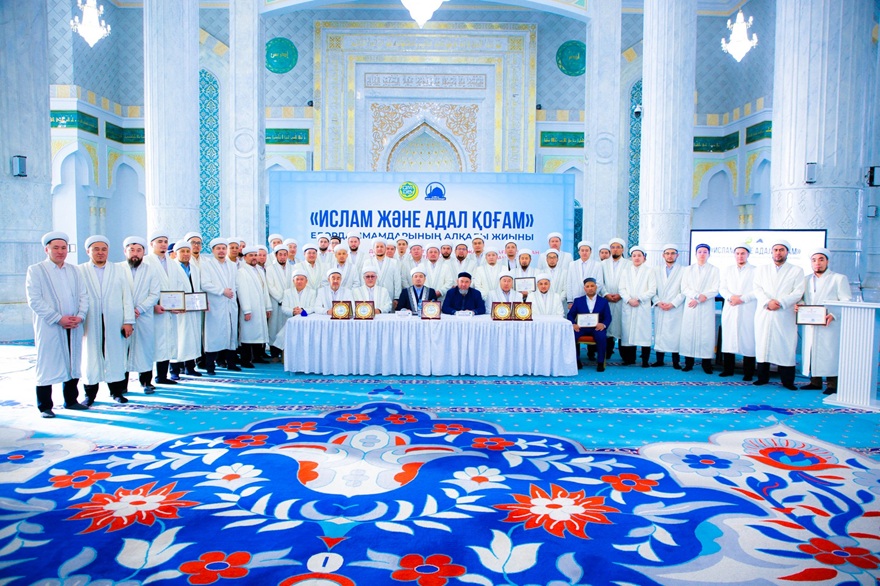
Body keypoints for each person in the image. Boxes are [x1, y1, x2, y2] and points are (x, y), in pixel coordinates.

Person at [26, 231, 89, 417]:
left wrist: (80, 316)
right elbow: (34, 300)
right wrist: (58, 318)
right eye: (56, 248)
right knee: (47, 363)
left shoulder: (74, 270)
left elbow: (83, 296)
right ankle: (45, 406)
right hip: (50, 326)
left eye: (63, 248)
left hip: (74, 325)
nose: (60, 251)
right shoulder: (36, 270)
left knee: (73, 361)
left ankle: (71, 400)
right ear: (47, 249)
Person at [77, 235, 135, 405]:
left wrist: (128, 321)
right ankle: (90, 395)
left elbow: (127, 297)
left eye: (104, 249)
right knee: (90, 357)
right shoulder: (80, 271)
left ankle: (116, 392)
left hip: (115, 321)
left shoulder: (118, 270)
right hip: (89, 321)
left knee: (115, 355)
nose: (100, 252)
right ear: (88, 251)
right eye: (96, 249)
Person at [797, 248, 852, 394]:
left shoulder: (838, 278)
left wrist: (833, 314)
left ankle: (832, 384)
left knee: (830, 352)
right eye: (814, 260)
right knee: (812, 351)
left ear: (827, 261)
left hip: (830, 323)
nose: (817, 263)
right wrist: (800, 306)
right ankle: (815, 382)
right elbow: (802, 298)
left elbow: (846, 300)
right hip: (811, 322)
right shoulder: (806, 279)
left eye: (821, 259)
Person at [753, 240, 806, 390]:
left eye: (781, 250)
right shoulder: (762, 269)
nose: (778, 252)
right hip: (765, 311)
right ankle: (762, 378)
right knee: (763, 344)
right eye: (775, 249)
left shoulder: (796, 270)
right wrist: (767, 302)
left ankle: (787, 381)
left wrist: (781, 302)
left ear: (787, 252)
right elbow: (757, 289)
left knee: (785, 346)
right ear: (772, 252)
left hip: (785, 313)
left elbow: (798, 292)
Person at [120, 236, 160, 394]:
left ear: (144, 252)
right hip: (122, 317)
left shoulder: (151, 270)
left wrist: (140, 309)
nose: (135, 254)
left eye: (139, 250)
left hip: (144, 316)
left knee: (145, 349)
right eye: (132, 250)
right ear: (125, 251)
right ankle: (121, 385)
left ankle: (146, 382)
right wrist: (128, 311)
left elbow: (154, 294)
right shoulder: (117, 269)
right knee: (122, 350)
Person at [142, 232, 179, 386]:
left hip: (168, 311)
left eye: (165, 241)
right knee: (149, 345)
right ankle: (146, 381)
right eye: (159, 241)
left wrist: (179, 304)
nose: (163, 244)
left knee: (167, 342)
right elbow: (142, 288)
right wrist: (153, 305)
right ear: (152, 244)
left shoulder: (172, 263)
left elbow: (177, 285)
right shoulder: (146, 262)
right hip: (151, 311)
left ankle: (162, 376)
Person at [200, 238, 240, 374]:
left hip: (230, 303)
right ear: (213, 250)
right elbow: (205, 284)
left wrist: (231, 293)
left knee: (231, 334)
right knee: (213, 336)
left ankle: (231, 363)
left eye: (223, 248)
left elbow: (235, 283)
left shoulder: (232, 265)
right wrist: (222, 291)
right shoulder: (207, 265)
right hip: (215, 304)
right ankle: (210, 366)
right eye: (218, 248)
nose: (221, 251)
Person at [679, 243, 720, 374]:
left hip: (706, 304)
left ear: (709, 254)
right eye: (700, 252)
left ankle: (706, 364)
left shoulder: (714, 270)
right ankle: (688, 363)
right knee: (689, 333)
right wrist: (697, 297)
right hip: (691, 304)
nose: (702, 254)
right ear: (696, 254)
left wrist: (703, 297)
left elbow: (715, 288)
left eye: (705, 252)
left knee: (706, 334)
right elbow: (684, 288)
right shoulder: (688, 269)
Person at [719, 243, 757, 380]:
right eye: (737, 253)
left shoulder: (756, 270)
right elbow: (722, 288)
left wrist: (742, 299)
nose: (740, 256)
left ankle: (748, 373)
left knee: (748, 340)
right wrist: (731, 297)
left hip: (748, 307)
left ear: (748, 255)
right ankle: (728, 370)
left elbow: (757, 290)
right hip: (731, 306)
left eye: (743, 253)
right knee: (729, 339)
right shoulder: (727, 270)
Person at [168, 240, 203, 380]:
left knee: (191, 339)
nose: (186, 254)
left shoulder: (194, 268)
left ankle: (190, 367)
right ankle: (174, 370)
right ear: (176, 253)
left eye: (188, 251)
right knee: (177, 340)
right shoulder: (171, 268)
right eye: (182, 251)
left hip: (192, 308)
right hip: (178, 310)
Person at [618, 245, 656, 367]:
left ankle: (645, 360)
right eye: (634, 256)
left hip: (642, 305)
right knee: (628, 332)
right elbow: (621, 289)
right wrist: (629, 300)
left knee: (643, 333)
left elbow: (652, 290)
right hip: (628, 305)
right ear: (631, 258)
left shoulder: (650, 271)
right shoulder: (626, 271)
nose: (637, 258)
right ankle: (629, 359)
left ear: (644, 258)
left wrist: (639, 298)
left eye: (639, 255)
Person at [237, 246, 272, 368]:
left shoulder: (259, 270)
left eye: (255, 255)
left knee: (258, 333)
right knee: (247, 334)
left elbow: (265, 290)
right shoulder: (242, 272)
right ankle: (245, 360)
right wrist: (246, 310)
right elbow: (242, 292)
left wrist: (268, 307)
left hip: (260, 307)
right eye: (250, 255)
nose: (253, 258)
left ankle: (257, 357)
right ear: (245, 257)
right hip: (250, 308)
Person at [651, 244, 685, 370]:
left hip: (675, 308)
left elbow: (684, 290)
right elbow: (652, 288)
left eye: (672, 253)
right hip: (660, 306)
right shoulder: (655, 270)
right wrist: (657, 302)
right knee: (659, 333)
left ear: (677, 255)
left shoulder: (683, 270)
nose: (670, 256)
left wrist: (673, 303)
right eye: (667, 253)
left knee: (675, 334)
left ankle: (676, 362)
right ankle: (659, 360)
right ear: (663, 255)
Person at [567, 277, 612, 372]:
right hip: (581, 328)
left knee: (601, 336)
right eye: (587, 286)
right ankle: (576, 361)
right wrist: (573, 324)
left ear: (596, 287)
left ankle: (600, 362)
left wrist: (603, 325)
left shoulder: (603, 301)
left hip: (596, 328)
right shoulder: (578, 301)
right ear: (584, 288)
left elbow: (608, 317)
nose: (590, 288)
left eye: (592, 286)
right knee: (572, 335)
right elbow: (570, 315)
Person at [601, 237, 631, 359]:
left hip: (622, 300)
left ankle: (626, 356)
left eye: (618, 247)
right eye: (613, 247)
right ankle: (607, 353)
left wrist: (620, 295)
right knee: (607, 326)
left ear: (622, 249)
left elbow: (630, 282)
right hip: (607, 300)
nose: (615, 249)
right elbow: (600, 282)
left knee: (622, 327)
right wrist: (606, 294)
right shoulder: (603, 264)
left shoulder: (629, 264)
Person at [266, 244, 293, 361]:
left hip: (289, 304)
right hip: (276, 302)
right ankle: (275, 354)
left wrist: (288, 299)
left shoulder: (293, 268)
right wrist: (281, 298)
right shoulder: (270, 269)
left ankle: (286, 354)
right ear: (276, 255)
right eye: (280, 254)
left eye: (284, 255)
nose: (282, 257)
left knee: (286, 328)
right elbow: (270, 286)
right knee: (274, 328)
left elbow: (294, 285)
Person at [566, 241, 604, 308]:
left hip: (591, 300)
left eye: (586, 250)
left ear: (590, 252)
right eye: (582, 250)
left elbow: (599, 283)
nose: (584, 253)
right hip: (575, 299)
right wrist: (570, 301)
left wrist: (590, 294)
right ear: (579, 252)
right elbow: (569, 283)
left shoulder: (597, 265)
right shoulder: (572, 264)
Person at [371, 238, 401, 305]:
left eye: (382, 247)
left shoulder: (393, 262)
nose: (379, 248)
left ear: (385, 248)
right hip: (372, 296)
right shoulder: (368, 262)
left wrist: (397, 297)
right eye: (377, 247)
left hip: (389, 296)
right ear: (373, 249)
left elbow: (397, 281)